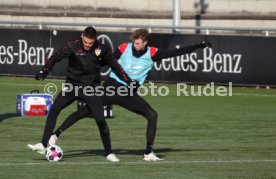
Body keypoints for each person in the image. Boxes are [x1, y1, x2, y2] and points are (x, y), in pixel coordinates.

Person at [47, 29, 212, 161]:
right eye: (134, 42)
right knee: (85, 111)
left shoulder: (153, 53)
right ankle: (55, 135)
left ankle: (148, 153)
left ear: (145, 42)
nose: (135, 45)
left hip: (128, 93)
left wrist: (198, 45)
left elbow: (175, 53)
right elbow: (107, 61)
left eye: (138, 43)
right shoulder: (124, 48)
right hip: (112, 86)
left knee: (152, 115)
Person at [27, 26, 134, 162]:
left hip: (91, 88)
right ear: (82, 36)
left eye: (91, 43)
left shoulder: (102, 48)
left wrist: (128, 81)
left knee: (100, 120)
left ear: (95, 39)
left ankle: (109, 153)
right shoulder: (73, 46)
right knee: (54, 109)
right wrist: (44, 71)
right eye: (86, 42)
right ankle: (43, 144)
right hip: (72, 85)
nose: (88, 45)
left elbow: (115, 66)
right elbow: (55, 57)